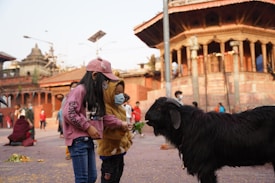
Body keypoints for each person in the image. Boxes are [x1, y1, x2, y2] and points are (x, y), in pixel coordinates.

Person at [62, 58, 129, 183]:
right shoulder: (80, 90)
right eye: (105, 80)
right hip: (78, 141)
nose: (106, 84)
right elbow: (69, 113)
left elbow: (102, 116)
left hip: (88, 141)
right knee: (83, 179)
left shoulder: (95, 95)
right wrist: (88, 127)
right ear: (94, 75)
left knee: (91, 177)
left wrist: (121, 123)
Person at [97, 79, 132, 183]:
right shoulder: (105, 108)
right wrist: (123, 128)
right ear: (108, 93)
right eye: (116, 93)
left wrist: (128, 138)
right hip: (109, 151)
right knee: (109, 178)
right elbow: (108, 129)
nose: (120, 96)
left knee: (117, 176)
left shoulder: (119, 108)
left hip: (119, 151)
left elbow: (124, 125)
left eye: (121, 93)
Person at [62, 81, 78, 160]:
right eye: (73, 86)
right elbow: (64, 112)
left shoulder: (80, 97)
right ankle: (68, 153)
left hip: (77, 122)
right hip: (69, 122)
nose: (75, 88)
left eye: (76, 86)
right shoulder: (66, 98)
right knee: (70, 139)